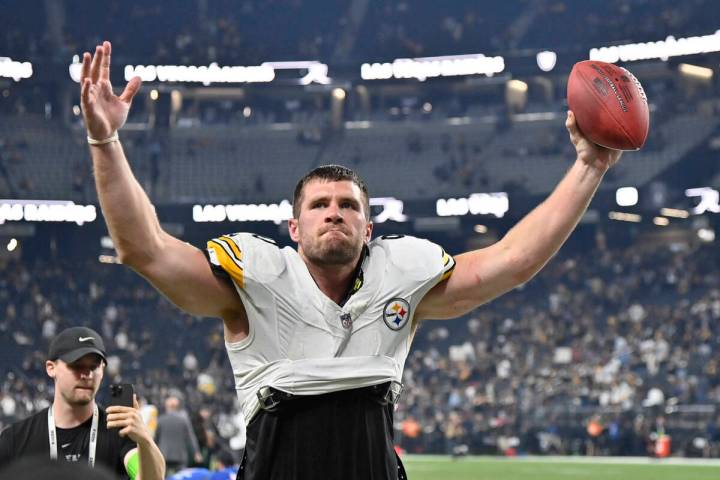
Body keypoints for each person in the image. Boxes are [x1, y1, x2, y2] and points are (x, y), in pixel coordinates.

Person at [79, 41, 622, 479]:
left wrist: (590, 168)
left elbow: (514, 260)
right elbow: (142, 248)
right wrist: (105, 142)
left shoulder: (402, 276)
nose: (333, 214)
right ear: (294, 228)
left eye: (347, 206)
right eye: (318, 205)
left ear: (369, 228)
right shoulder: (256, 281)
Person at [0, 326, 165, 480]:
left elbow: (148, 478)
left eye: (94, 367)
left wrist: (144, 440)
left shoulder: (119, 432)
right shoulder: (16, 438)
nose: (87, 375)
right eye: (76, 366)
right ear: (51, 368)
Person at [155, 395, 202, 475]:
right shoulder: (183, 420)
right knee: (182, 476)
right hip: (180, 455)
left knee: (162, 476)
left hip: (164, 454)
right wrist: (196, 452)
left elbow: (156, 438)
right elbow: (190, 437)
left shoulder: (161, 420)